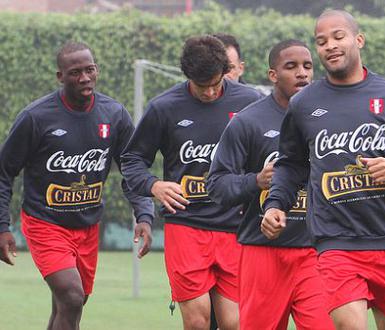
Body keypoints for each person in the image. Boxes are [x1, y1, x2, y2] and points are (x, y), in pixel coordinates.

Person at [261, 10, 385, 330]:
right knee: (348, 325)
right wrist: (275, 204)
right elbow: (290, 164)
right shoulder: (304, 103)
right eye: (321, 41)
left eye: (338, 36)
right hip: (334, 241)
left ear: (358, 39)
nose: (330, 45)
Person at [0, 41, 154, 330]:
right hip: (44, 223)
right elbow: (3, 172)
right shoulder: (36, 118)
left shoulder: (114, 115)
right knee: (71, 296)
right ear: (60, 77)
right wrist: (1, 226)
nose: (84, 78)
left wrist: (144, 213)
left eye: (89, 70)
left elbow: (133, 167)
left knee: (69, 305)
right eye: (74, 72)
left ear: (96, 71)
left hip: (87, 226)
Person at [121, 35, 261, 330]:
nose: (210, 92)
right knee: (197, 321)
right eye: (202, 86)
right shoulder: (164, 107)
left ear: (226, 71)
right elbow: (132, 159)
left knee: (235, 323)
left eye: (216, 83)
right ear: (187, 77)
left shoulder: (250, 103)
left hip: (235, 227)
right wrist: (153, 185)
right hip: (186, 225)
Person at [207, 39, 334, 329]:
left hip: (315, 251)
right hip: (263, 251)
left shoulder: (328, 118)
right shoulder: (247, 121)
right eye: (291, 67)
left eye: (307, 66)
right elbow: (216, 185)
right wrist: (256, 181)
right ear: (273, 75)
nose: (301, 73)